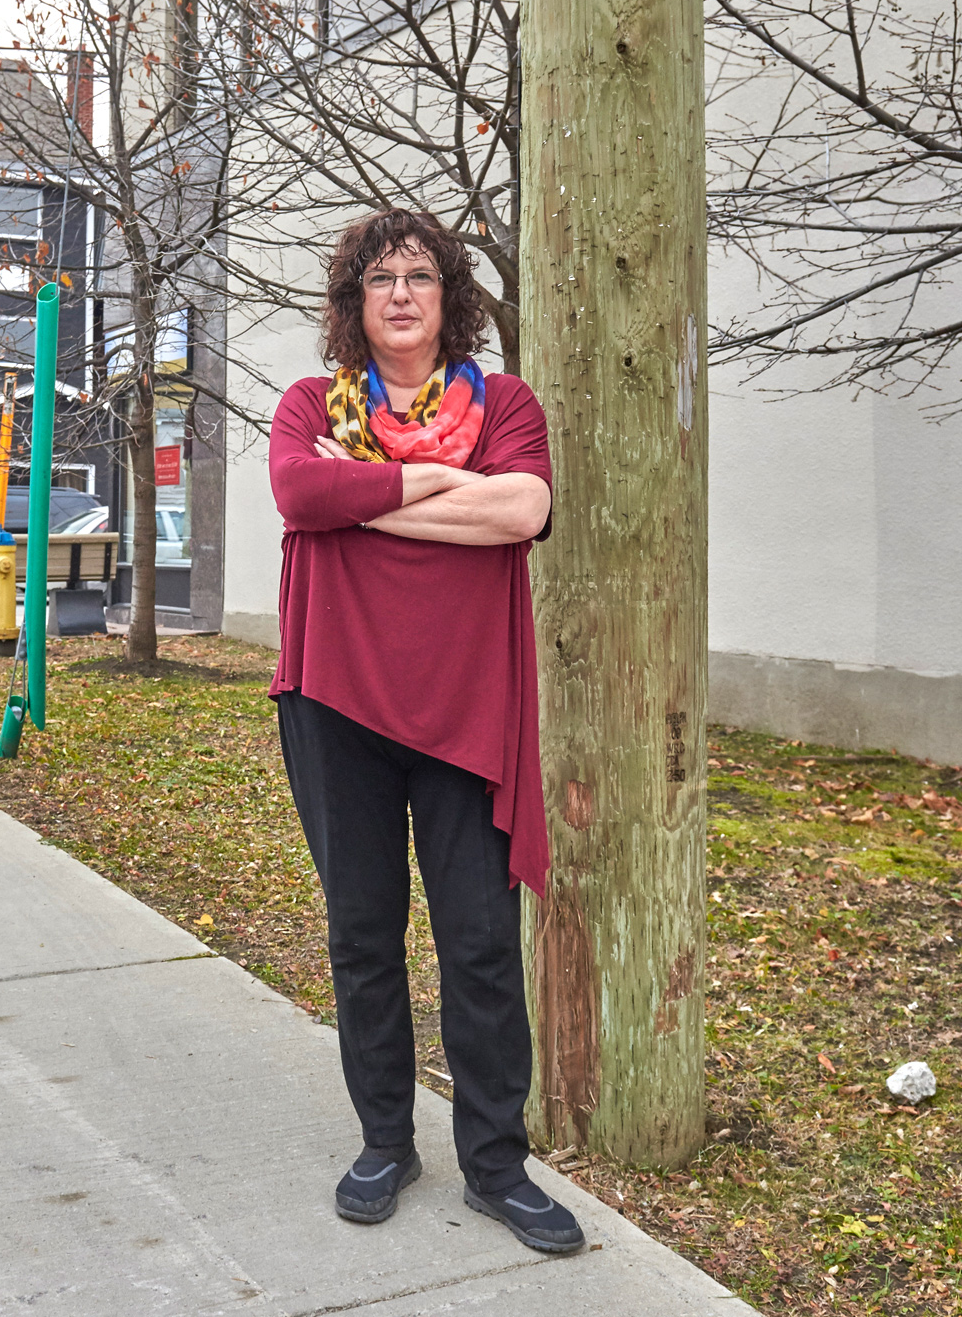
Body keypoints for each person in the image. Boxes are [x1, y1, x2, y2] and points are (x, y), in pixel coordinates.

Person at [267, 206, 582, 1254]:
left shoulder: (505, 405)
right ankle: (384, 1143)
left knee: (481, 947)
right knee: (362, 936)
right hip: (334, 701)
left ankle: (495, 1165)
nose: (399, 293)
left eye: (418, 276)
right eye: (378, 279)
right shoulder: (312, 403)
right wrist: (445, 485)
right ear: (353, 304)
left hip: (465, 711)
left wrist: (365, 500)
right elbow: (297, 490)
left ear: (450, 298)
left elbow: (520, 513)